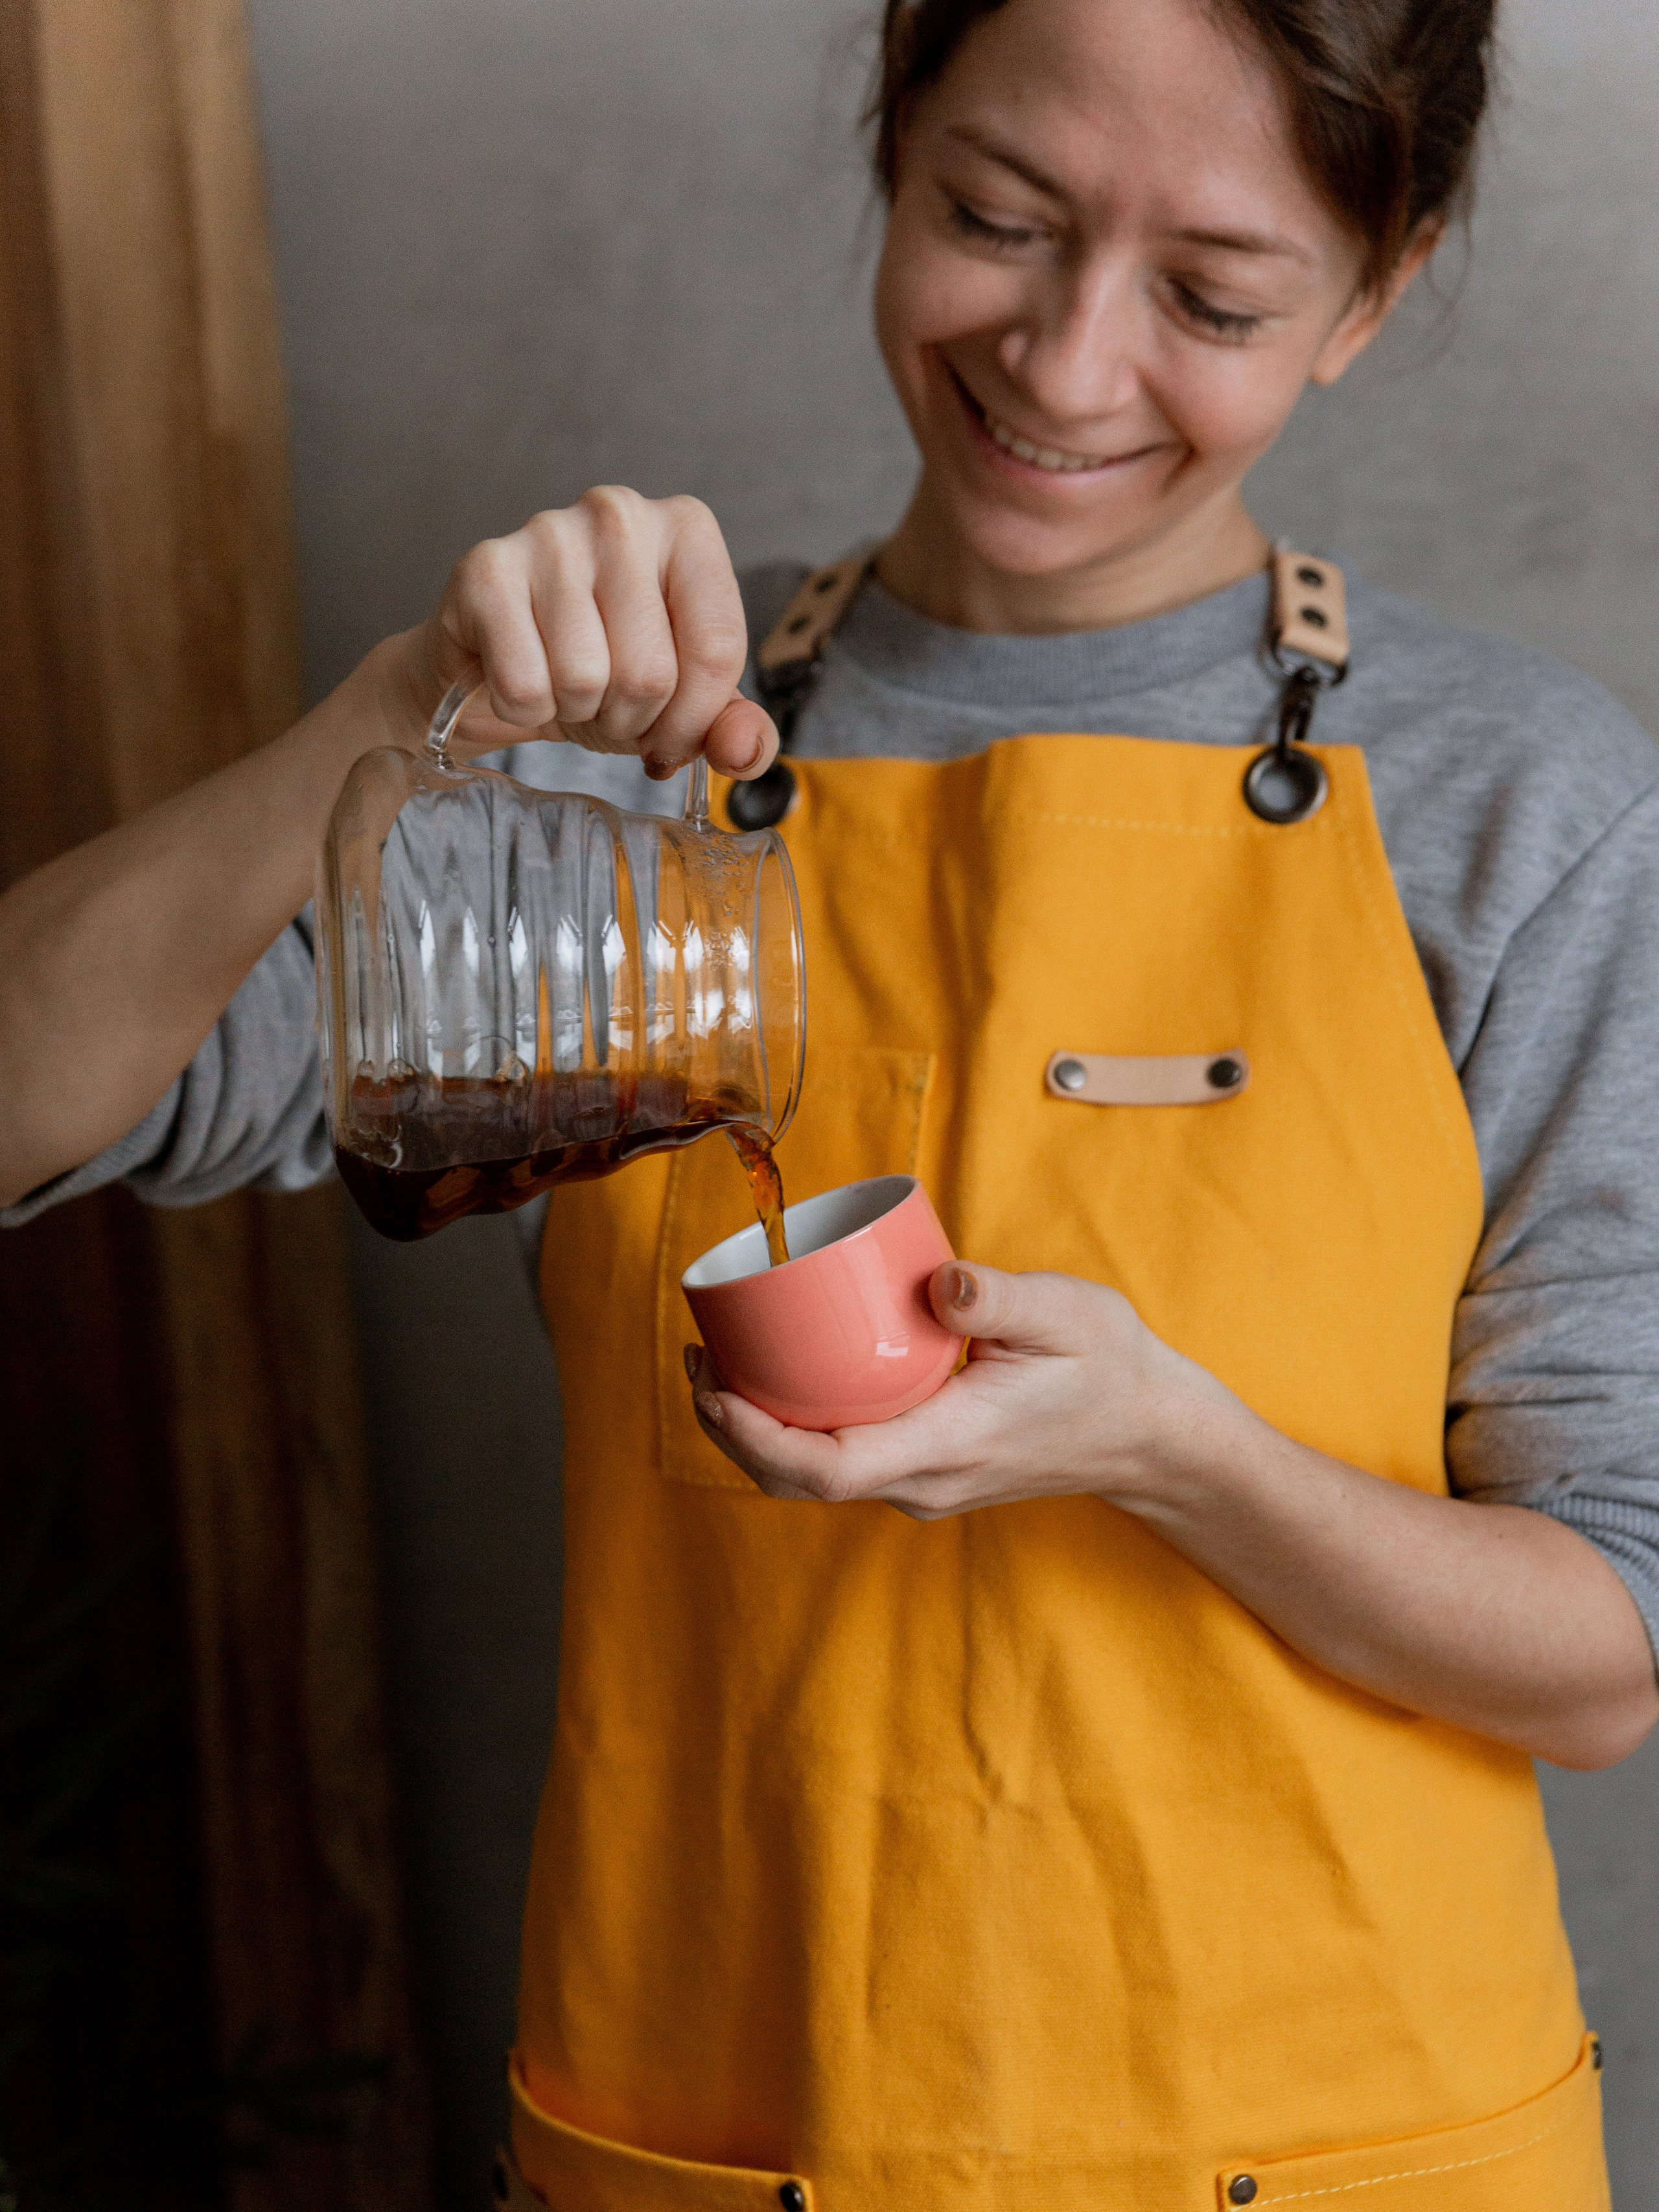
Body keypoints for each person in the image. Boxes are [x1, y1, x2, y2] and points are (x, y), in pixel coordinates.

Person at [3, 0, 1656, 2199]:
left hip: (1349, 2145)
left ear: (1379, 287)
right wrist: (397, 718)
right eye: (997, 218)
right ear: (893, 143)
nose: (1066, 366)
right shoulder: (611, 767)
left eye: (1213, 296)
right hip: (723, 2137)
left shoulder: (1517, 809)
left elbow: (1607, 1654)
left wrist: (1180, 1454)